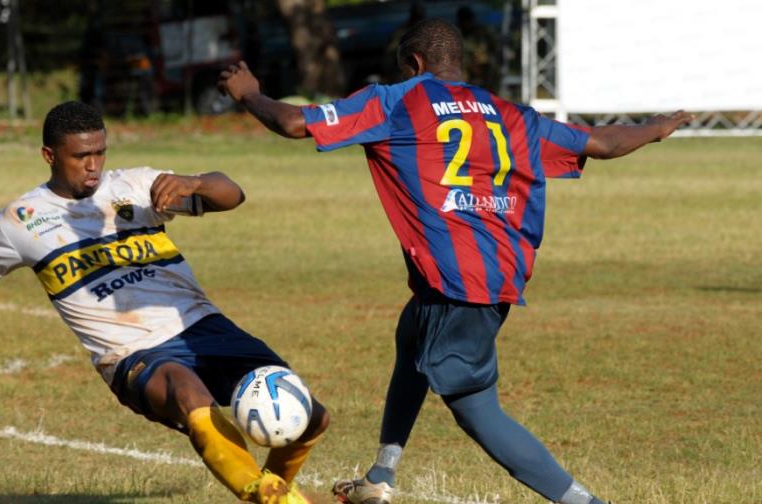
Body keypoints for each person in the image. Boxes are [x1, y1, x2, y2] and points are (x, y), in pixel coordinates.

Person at [218, 18, 692, 504]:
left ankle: (585, 503)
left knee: (475, 409)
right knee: (413, 332)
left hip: (462, 282)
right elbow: (601, 143)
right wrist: (655, 129)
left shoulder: (395, 100)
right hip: (493, 269)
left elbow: (294, 123)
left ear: (415, 63)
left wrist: (250, 94)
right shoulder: (509, 112)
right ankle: (380, 478)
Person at [0, 101, 328, 504]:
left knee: (311, 417)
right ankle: (278, 500)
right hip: (134, 355)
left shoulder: (136, 186)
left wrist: (195, 182)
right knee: (191, 398)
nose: (94, 165)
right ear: (50, 156)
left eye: (100, 153)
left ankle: (272, 493)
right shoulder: (21, 221)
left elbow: (233, 195)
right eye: (81, 156)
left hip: (204, 326)